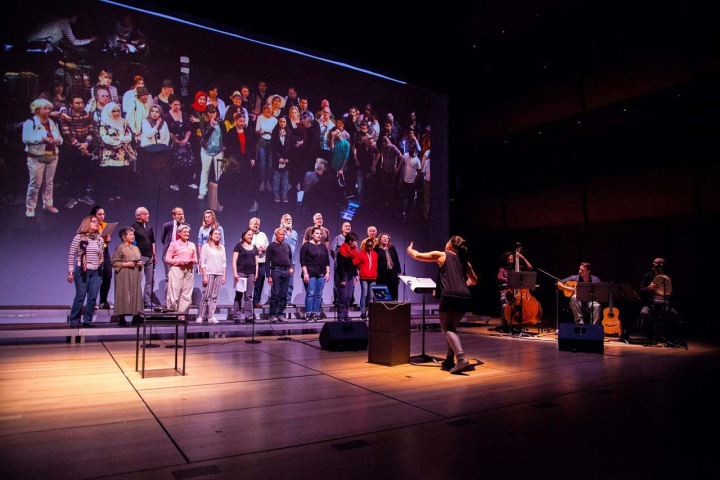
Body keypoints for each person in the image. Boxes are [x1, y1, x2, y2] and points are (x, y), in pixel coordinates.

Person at [407, 236, 478, 374]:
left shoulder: (442, 255)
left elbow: (417, 255)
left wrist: (410, 250)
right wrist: (467, 283)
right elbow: (474, 280)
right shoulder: (465, 262)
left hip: (449, 295)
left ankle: (461, 358)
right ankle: (449, 359)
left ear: (450, 245)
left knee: (446, 329)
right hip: (464, 296)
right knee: (452, 328)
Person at [22, 99, 62, 217]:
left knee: (49, 182)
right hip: (36, 156)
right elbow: (26, 139)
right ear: (37, 109)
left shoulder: (52, 122)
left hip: (52, 155)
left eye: (49, 109)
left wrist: (58, 140)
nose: (47, 111)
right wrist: (42, 138)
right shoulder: (30, 122)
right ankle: (30, 206)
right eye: (45, 108)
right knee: (35, 183)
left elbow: (59, 137)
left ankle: (48, 203)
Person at [67, 215, 105, 328]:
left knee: (92, 297)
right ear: (87, 223)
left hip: (96, 271)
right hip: (82, 270)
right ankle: (74, 320)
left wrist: (100, 263)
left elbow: (101, 254)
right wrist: (70, 272)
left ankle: (88, 320)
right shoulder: (79, 237)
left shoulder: (99, 239)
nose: (96, 223)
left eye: (97, 222)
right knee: (80, 296)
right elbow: (71, 255)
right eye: (93, 221)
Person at [59, 94, 94, 210]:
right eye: (77, 103)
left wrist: (86, 144)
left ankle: (83, 195)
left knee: (85, 172)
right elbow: (67, 134)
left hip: (85, 145)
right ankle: (72, 197)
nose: (80, 105)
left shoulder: (87, 114)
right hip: (71, 149)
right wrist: (80, 146)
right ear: (71, 104)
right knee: (72, 173)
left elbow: (91, 129)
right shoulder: (65, 115)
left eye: (82, 103)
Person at [98, 102, 135, 204]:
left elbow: (129, 137)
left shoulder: (124, 122)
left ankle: (118, 195)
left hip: (122, 155)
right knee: (110, 175)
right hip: (110, 155)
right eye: (113, 111)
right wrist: (120, 140)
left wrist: (118, 138)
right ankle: (110, 196)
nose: (116, 113)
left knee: (121, 175)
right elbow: (105, 138)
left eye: (118, 110)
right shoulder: (104, 122)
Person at [111, 226, 144, 326]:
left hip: (135, 275)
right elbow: (114, 262)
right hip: (123, 274)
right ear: (124, 237)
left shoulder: (136, 248)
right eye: (130, 234)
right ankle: (122, 318)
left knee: (136, 294)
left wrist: (140, 264)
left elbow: (139, 259)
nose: (133, 236)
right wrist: (126, 264)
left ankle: (136, 317)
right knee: (123, 294)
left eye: (133, 234)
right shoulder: (120, 248)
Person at [639, 258, 678, 339]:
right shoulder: (647, 276)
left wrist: (669, 293)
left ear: (661, 265)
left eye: (656, 263)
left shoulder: (668, 277)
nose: (653, 263)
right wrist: (649, 288)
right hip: (651, 304)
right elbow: (641, 290)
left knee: (673, 314)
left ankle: (668, 337)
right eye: (653, 262)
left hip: (665, 303)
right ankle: (650, 334)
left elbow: (674, 292)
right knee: (644, 313)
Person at [164, 224, 197, 315]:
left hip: (189, 270)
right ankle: (173, 312)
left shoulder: (192, 245)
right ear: (179, 233)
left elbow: (195, 259)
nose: (187, 233)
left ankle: (181, 314)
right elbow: (167, 259)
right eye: (184, 232)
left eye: (188, 232)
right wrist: (179, 261)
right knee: (175, 291)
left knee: (186, 293)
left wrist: (192, 261)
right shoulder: (174, 244)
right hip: (177, 270)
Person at [497, 250, 532, 333]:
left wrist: (522, 258)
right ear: (506, 260)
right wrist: (509, 280)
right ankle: (504, 326)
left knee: (520, 307)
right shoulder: (502, 269)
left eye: (512, 260)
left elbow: (530, 267)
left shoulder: (517, 268)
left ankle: (517, 325)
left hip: (517, 292)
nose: (510, 261)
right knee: (504, 306)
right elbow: (499, 277)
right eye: (508, 260)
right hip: (505, 291)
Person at [300, 227, 330, 321]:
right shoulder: (306, 246)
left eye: (320, 233)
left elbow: (327, 260)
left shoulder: (323, 246)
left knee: (318, 294)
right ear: (312, 235)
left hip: (321, 274)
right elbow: (302, 260)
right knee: (310, 293)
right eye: (317, 233)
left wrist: (327, 272)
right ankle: (309, 314)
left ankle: (315, 313)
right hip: (310, 273)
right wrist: (305, 273)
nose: (319, 235)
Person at [165, 95, 194, 191]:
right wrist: (177, 142)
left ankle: (188, 181)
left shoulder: (184, 114)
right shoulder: (167, 116)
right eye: (175, 105)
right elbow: (168, 132)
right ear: (170, 105)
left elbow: (189, 129)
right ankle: (174, 182)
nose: (177, 106)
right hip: (173, 142)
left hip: (185, 141)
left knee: (188, 162)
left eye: (178, 104)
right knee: (175, 164)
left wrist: (185, 140)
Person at [26, 14, 98, 52]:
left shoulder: (59, 18)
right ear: (72, 16)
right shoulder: (64, 24)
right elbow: (74, 41)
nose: (76, 20)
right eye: (75, 18)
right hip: (36, 42)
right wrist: (90, 40)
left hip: (33, 38)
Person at [198, 104, 226, 201]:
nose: (212, 115)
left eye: (213, 112)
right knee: (205, 170)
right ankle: (202, 191)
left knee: (219, 171)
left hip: (218, 150)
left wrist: (224, 144)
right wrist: (211, 126)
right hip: (206, 150)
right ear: (206, 113)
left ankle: (220, 191)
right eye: (210, 113)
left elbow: (224, 134)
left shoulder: (221, 122)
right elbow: (204, 135)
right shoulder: (203, 121)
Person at [199, 228, 226, 324]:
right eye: (215, 233)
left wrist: (223, 275)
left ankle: (211, 316)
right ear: (210, 235)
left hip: (218, 274)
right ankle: (201, 316)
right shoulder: (206, 247)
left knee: (214, 297)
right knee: (205, 295)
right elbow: (202, 261)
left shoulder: (221, 247)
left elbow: (224, 262)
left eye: (219, 234)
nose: (218, 235)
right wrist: (204, 275)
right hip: (209, 273)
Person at [266, 228, 294, 323]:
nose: (283, 236)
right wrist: (268, 276)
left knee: (283, 295)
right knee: (275, 294)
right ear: (276, 235)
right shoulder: (271, 246)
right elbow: (267, 262)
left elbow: (290, 258)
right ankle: (272, 315)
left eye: (283, 234)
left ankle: (280, 314)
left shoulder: (287, 246)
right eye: (281, 234)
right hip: (276, 271)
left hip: (286, 272)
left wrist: (290, 267)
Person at [131, 206, 157, 308]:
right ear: (138, 216)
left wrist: (154, 253)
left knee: (150, 280)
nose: (147, 215)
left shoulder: (149, 227)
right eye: (145, 214)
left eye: (148, 214)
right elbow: (132, 243)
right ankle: (136, 301)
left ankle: (147, 301)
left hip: (149, 256)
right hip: (140, 257)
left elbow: (152, 241)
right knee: (138, 280)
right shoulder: (133, 228)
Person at [232, 229, 259, 322]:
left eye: (252, 235)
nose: (251, 236)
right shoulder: (238, 246)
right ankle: (237, 316)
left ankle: (249, 316)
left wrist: (256, 273)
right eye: (249, 235)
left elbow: (256, 262)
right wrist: (235, 273)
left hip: (251, 273)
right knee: (239, 295)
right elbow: (234, 260)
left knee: (248, 296)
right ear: (244, 235)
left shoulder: (254, 247)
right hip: (240, 273)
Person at [90, 205, 113, 310]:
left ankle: (103, 301)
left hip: (105, 251)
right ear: (94, 215)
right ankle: (92, 301)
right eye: (99, 214)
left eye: (103, 214)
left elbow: (105, 241)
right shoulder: (90, 226)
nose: (102, 216)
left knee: (107, 275)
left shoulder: (105, 225)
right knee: (96, 277)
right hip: (95, 253)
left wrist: (107, 240)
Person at [335, 232, 359, 322]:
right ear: (350, 241)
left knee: (348, 297)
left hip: (350, 275)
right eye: (355, 241)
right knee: (343, 297)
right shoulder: (341, 251)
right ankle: (341, 316)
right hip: (343, 276)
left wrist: (356, 274)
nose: (356, 243)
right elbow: (340, 266)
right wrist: (342, 279)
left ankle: (346, 315)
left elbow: (353, 264)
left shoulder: (353, 251)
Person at [160, 207, 187, 285]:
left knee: (180, 276)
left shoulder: (186, 226)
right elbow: (163, 239)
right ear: (174, 216)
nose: (181, 216)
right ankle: (169, 296)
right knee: (169, 276)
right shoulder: (167, 225)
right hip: (169, 252)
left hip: (181, 253)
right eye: (179, 214)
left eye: (182, 214)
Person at [256, 104, 278, 192]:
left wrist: (273, 133)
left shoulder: (275, 120)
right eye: (266, 112)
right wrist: (260, 132)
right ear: (264, 111)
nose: (268, 114)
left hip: (272, 142)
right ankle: (262, 182)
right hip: (263, 141)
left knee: (270, 164)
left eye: (269, 112)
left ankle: (268, 182)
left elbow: (276, 132)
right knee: (262, 164)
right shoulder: (260, 118)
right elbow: (257, 129)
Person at [278, 214, 299, 306]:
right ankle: (280, 302)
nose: (289, 221)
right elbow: (274, 246)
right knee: (281, 284)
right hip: (281, 262)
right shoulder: (278, 232)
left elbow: (296, 247)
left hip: (292, 262)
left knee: (290, 283)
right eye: (286, 219)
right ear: (282, 221)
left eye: (290, 219)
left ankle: (288, 301)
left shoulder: (295, 233)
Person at [270, 117, 293, 203]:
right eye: (280, 121)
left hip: (286, 159)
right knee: (276, 177)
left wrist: (288, 158)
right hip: (277, 159)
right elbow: (273, 146)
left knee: (285, 178)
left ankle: (284, 195)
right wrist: (279, 157)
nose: (282, 123)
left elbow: (291, 147)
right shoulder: (275, 132)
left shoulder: (289, 133)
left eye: (284, 122)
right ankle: (276, 195)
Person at [374, 233, 402, 301]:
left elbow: (396, 260)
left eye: (387, 238)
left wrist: (399, 272)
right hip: (381, 275)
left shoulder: (392, 248)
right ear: (380, 239)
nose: (385, 239)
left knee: (392, 294)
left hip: (392, 275)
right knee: (382, 296)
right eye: (383, 237)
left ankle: (392, 309)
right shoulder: (376, 248)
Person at [249, 218, 269, 308]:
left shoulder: (263, 234)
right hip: (250, 262)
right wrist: (255, 249)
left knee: (259, 282)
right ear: (250, 224)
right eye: (254, 224)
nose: (256, 225)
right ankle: (248, 301)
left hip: (261, 262)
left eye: (258, 224)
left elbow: (268, 247)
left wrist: (264, 249)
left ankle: (256, 301)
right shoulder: (247, 234)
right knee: (249, 283)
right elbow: (243, 246)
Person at [357, 237, 378, 320]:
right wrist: (362, 271)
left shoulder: (375, 254)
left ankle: (370, 313)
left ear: (372, 246)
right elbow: (358, 264)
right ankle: (362, 313)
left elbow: (376, 265)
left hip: (373, 277)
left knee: (371, 297)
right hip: (364, 277)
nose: (369, 248)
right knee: (364, 295)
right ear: (365, 246)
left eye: (371, 246)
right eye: (368, 246)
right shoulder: (361, 253)